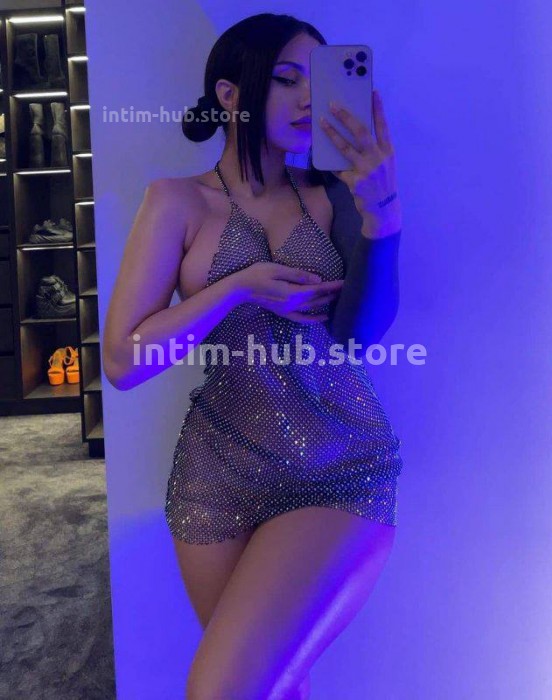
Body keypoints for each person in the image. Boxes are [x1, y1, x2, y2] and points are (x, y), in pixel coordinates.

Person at [102, 12, 404, 700]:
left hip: (336, 465)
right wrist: (236, 288)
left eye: (318, 80)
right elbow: (123, 363)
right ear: (231, 94)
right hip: (215, 475)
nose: (308, 98)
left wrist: (383, 215)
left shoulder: (334, 196)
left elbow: (359, 337)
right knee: (275, 688)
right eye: (288, 79)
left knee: (224, 690)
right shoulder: (176, 201)